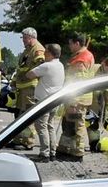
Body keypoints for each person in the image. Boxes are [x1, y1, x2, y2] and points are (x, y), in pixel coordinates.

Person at [57, 33, 96, 161]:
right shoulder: (82, 56)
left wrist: (73, 101)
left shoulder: (82, 59)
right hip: (75, 98)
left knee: (77, 126)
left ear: (77, 43)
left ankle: (77, 152)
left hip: (77, 99)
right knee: (68, 124)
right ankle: (66, 149)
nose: (69, 46)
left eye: (70, 43)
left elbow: (77, 82)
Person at [24, 42, 64, 161]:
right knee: (50, 126)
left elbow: (29, 75)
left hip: (44, 100)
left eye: (46, 52)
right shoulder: (60, 65)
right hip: (55, 99)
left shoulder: (46, 66)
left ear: (51, 54)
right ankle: (52, 151)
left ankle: (44, 153)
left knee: (41, 126)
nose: (44, 54)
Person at [9, 27, 45, 150]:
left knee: (27, 114)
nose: (23, 40)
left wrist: (27, 76)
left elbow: (40, 68)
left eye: (24, 38)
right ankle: (18, 139)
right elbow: (21, 69)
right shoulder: (27, 50)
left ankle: (28, 141)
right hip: (22, 87)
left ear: (31, 38)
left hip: (30, 88)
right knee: (19, 114)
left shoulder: (38, 50)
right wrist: (14, 81)